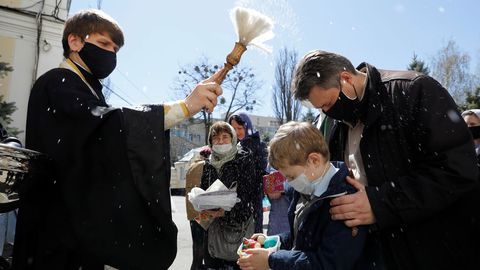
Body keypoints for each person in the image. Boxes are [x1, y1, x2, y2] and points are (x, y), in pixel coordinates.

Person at [14, 9, 222, 270]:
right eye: (103, 44)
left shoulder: (85, 87)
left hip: (71, 234)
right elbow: (107, 127)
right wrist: (185, 107)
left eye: (115, 49)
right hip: (55, 237)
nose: (110, 54)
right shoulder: (57, 82)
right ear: (75, 41)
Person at [290, 50, 480, 269]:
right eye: (321, 108)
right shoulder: (337, 124)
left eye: (329, 103)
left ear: (346, 78)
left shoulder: (413, 91)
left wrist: (380, 204)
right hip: (380, 254)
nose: (328, 112)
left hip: (433, 249)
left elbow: (457, 170)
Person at [238, 121, 370, 270]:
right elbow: (303, 236)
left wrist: (271, 260)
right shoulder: (307, 187)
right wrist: (276, 241)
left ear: (314, 160)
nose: (288, 182)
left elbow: (328, 264)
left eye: (291, 176)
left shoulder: (345, 202)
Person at [200, 121, 257, 270]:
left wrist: (226, 211)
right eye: (216, 138)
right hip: (214, 228)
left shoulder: (244, 159)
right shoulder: (208, 164)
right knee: (214, 263)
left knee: (239, 263)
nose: (220, 141)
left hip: (238, 225)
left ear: (232, 138)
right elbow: (203, 190)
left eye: (225, 137)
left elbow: (248, 193)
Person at [228, 113, 267, 233]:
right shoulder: (233, 146)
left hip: (253, 197)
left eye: (240, 128)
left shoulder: (257, 145)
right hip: (236, 197)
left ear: (247, 127)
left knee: (253, 233)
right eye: (233, 129)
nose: (237, 132)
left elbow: (261, 172)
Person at [185, 146, 211, 270]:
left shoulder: (191, 167)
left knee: (196, 245)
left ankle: (195, 267)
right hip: (203, 211)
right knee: (206, 247)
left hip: (192, 212)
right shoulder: (207, 166)